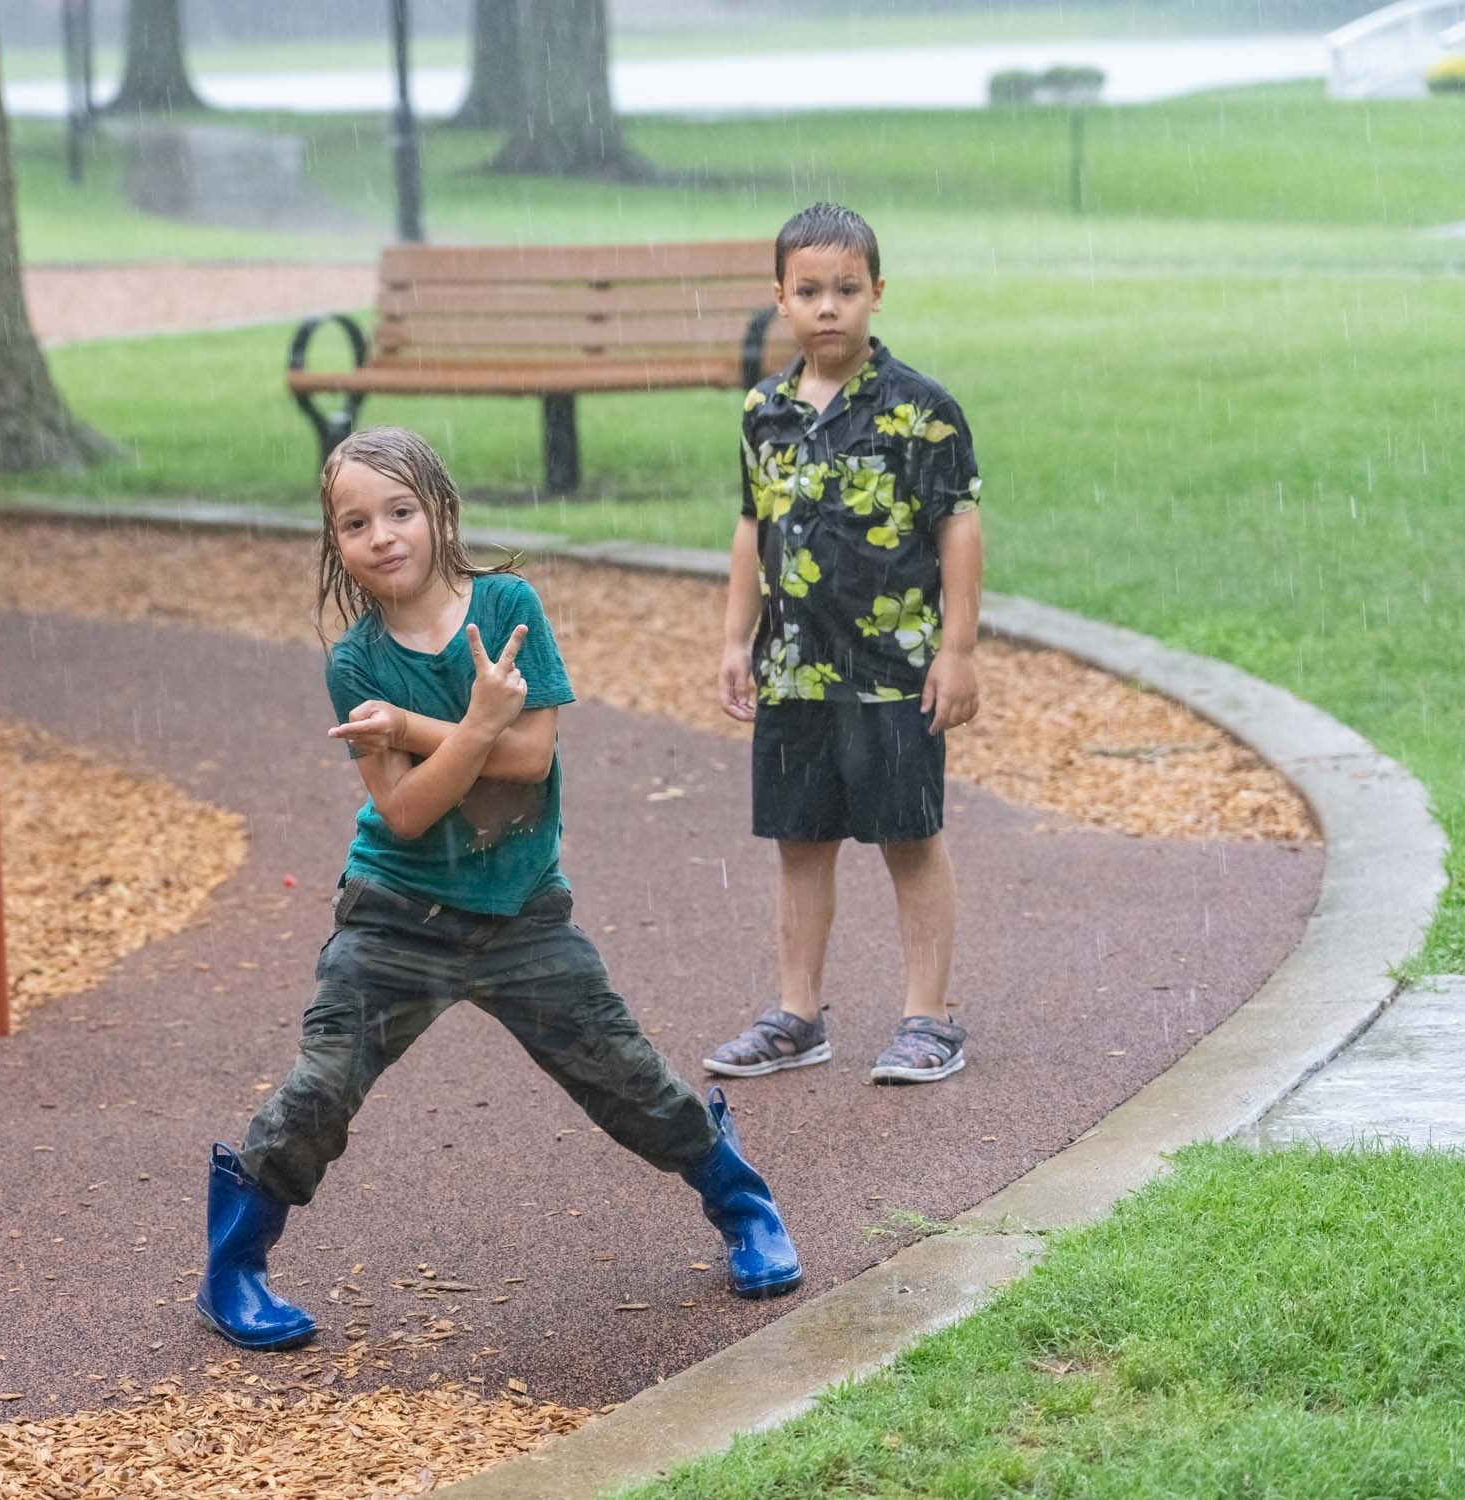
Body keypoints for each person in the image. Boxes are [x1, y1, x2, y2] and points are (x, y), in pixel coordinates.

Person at [197, 426, 803, 1352]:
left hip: (522, 915)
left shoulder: (509, 605)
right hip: (393, 916)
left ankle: (744, 1207)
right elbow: (403, 811)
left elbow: (530, 756)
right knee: (320, 1089)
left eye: (400, 511)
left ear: (440, 512)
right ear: (336, 545)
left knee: (626, 1075)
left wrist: (418, 723)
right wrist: (468, 723)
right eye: (356, 523)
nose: (384, 535)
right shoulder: (354, 664)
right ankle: (233, 1267)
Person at [706, 202, 985, 1088]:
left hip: (894, 671)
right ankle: (797, 1014)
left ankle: (929, 1019)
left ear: (877, 295)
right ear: (780, 299)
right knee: (800, 839)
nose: (829, 307)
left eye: (847, 290)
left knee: (909, 837)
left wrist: (960, 649)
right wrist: (733, 639)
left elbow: (958, 528)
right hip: (794, 671)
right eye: (810, 290)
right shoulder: (765, 412)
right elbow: (753, 526)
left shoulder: (920, 412)